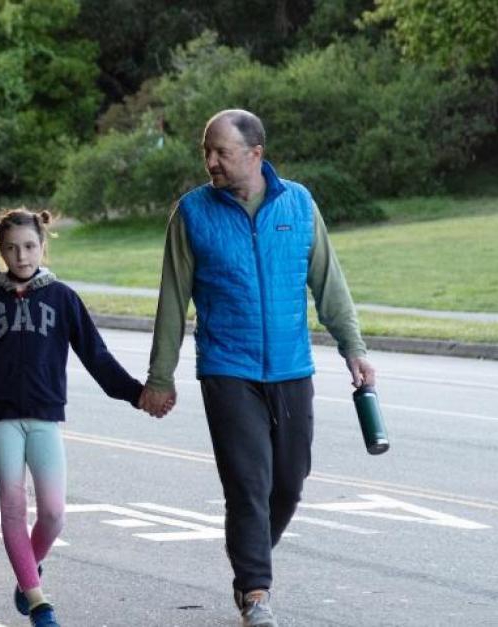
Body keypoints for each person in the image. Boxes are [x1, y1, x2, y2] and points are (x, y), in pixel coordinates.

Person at [137, 109, 376, 627]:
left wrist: (353, 347)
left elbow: (328, 284)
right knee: (248, 483)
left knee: (288, 484)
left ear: (255, 154)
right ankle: (255, 592)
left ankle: (249, 556)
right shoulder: (193, 213)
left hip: (292, 368)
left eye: (221, 151)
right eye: (206, 151)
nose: (211, 161)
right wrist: (161, 377)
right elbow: (173, 300)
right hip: (227, 368)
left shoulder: (299, 203)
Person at [0, 208, 159, 627]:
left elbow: (97, 357)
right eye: (12, 248)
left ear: (43, 246)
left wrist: (137, 394)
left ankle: (26, 575)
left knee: (53, 513)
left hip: (45, 414)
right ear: (0, 249)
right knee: (13, 506)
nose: (21, 256)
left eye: (30, 246)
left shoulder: (62, 298)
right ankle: (38, 603)